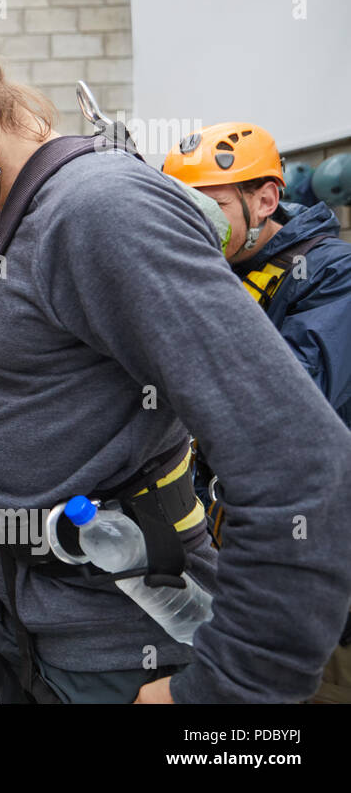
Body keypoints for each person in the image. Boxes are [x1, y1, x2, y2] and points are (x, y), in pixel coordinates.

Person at [0, 0, 351, 703]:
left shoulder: (99, 211)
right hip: (45, 636)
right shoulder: (17, 223)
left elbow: (303, 463)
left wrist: (221, 692)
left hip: (127, 651)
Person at [162, 124, 351, 703]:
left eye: (212, 207)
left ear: (265, 199)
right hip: (233, 547)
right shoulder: (218, 268)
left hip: (314, 565)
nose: (197, 224)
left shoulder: (332, 276)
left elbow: (281, 410)